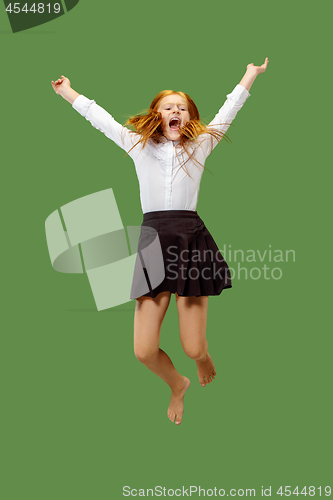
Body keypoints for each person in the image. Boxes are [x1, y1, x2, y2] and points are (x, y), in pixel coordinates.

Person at [51, 58, 269, 425]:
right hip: (153, 244)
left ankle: (201, 359)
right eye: (168, 106)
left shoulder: (199, 146)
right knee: (143, 350)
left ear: (189, 118)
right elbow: (100, 118)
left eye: (182, 108)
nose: (176, 111)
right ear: (156, 114)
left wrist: (251, 74)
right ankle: (177, 384)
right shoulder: (138, 145)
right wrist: (67, 91)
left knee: (193, 346)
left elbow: (229, 110)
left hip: (190, 241)